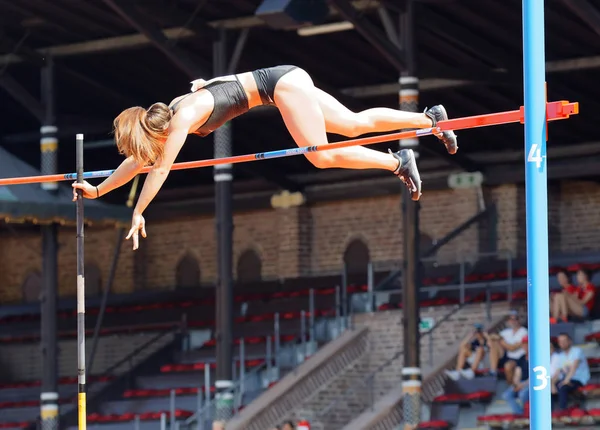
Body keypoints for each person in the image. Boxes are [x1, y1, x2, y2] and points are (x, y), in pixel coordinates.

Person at [72, 65, 458, 250]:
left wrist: (138, 210)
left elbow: (158, 170)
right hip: (283, 79)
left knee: (319, 156)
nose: (141, 155)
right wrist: (98, 189)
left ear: (151, 133)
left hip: (281, 87)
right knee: (353, 124)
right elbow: (141, 163)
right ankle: (431, 120)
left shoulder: (182, 119)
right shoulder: (173, 112)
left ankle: (398, 162)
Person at [488, 310, 528, 382]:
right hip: (507, 356)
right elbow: (492, 337)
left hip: (519, 358)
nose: (513, 321)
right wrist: (499, 339)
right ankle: (493, 370)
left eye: (515, 319)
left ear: (518, 320)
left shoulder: (524, 331)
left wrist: (501, 340)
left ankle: (511, 386)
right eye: (511, 319)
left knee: (508, 366)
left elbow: (512, 348)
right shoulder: (507, 331)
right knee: (493, 343)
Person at [554, 333, 590, 411]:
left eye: (564, 341)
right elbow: (558, 372)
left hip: (579, 379)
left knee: (562, 387)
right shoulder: (561, 355)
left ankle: (562, 412)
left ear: (570, 341)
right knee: (551, 388)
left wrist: (566, 381)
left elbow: (574, 367)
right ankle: (550, 414)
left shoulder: (577, 351)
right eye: (560, 341)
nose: (562, 343)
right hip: (566, 379)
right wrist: (551, 383)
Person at [501, 335, 529, 415]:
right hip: (522, 383)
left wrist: (522, 385)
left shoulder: (537, 357)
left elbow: (535, 376)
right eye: (524, 344)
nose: (525, 346)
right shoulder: (522, 358)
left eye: (527, 344)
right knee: (507, 395)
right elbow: (517, 373)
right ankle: (520, 414)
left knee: (522, 394)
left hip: (532, 384)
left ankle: (528, 414)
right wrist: (517, 384)